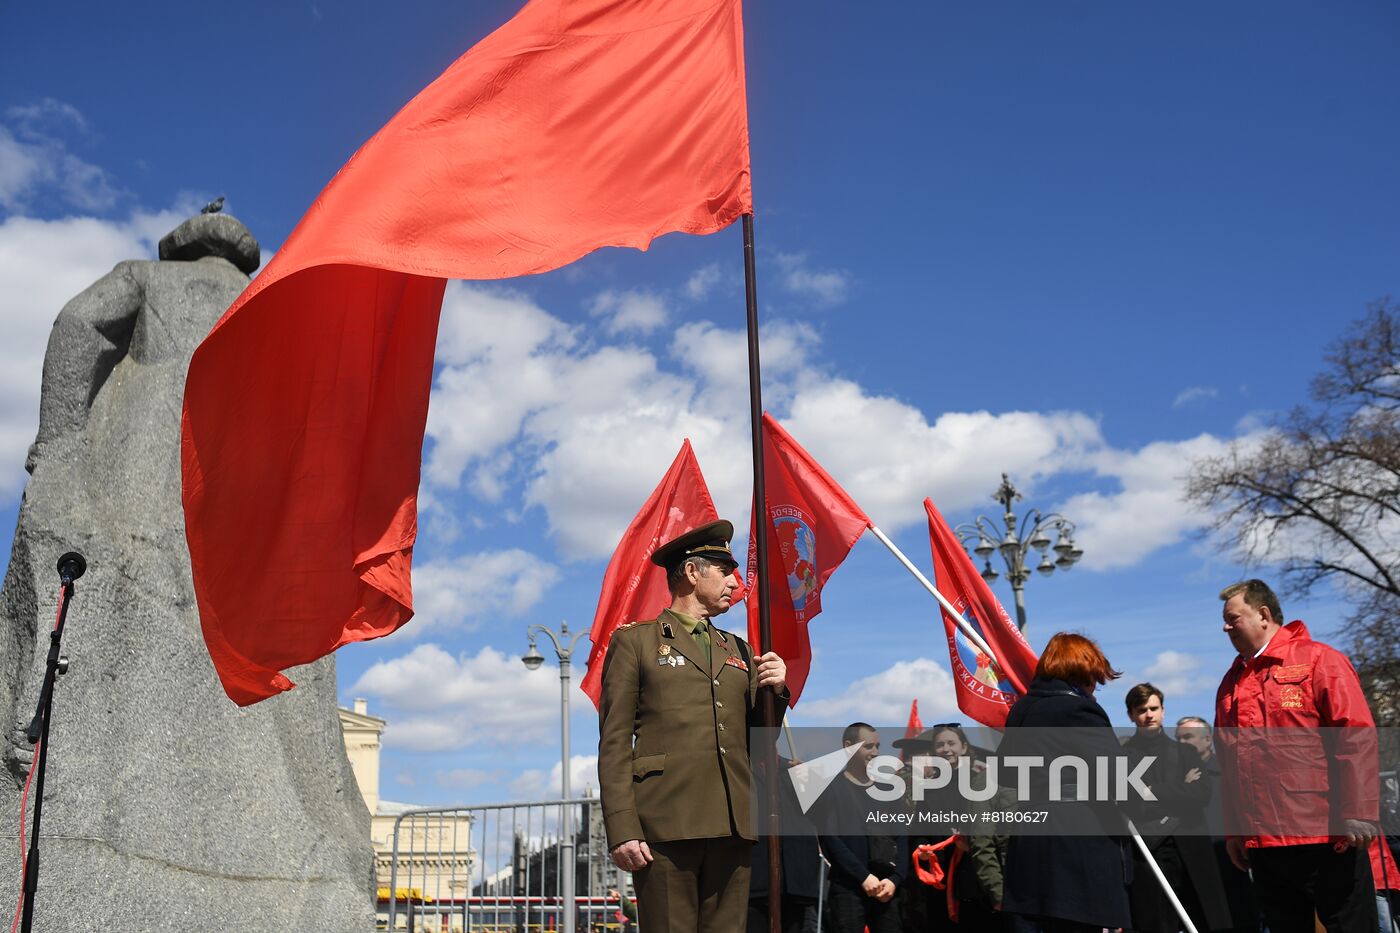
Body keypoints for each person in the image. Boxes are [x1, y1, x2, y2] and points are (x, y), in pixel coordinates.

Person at [598, 519, 789, 933]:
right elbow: (613, 741)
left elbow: (758, 740)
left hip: (733, 822)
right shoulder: (637, 642)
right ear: (691, 572)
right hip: (666, 824)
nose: (735, 584)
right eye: (725, 571)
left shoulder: (738, 648)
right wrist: (622, 828)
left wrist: (777, 691)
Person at [1214, 578, 1380, 933]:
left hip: (1327, 836)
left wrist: (1359, 811)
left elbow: (1355, 737)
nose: (1225, 627)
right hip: (1264, 843)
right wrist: (1234, 832)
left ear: (1263, 615)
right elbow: (1228, 765)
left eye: (1233, 618)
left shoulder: (1320, 659)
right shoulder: (1230, 684)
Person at [998, 632, 1133, 933]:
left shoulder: (1020, 710)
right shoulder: (1079, 709)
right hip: (1079, 844)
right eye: (1095, 676)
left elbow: (1006, 771)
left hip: (1029, 839)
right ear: (1081, 670)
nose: (1097, 685)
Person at [1121, 684, 1232, 932]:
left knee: (1207, 921)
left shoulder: (1186, 752)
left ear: (1162, 710)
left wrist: (1151, 790)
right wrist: (1180, 788)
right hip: (1149, 854)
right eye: (1141, 710)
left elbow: (1201, 794)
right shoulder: (1122, 757)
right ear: (1130, 714)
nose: (1149, 715)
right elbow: (1133, 803)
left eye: (1154, 708)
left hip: (1192, 849)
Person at [812, 723, 909, 933]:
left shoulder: (889, 788)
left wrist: (895, 879)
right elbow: (830, 838)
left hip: (887, 888)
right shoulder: (830, 788)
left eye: (878, 746)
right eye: (869, 747)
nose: (875, 753)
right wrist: (863, 877)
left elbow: (902, 836)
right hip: (847, 888)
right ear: (849, 746)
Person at [1175, 715, 1260, 933]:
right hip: (1194, 872)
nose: (1183, 743)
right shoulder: (1172, 781)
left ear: (1208, 739)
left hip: (1234, 865)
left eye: (1189, 737)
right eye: (1179, 739)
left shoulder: (1231, 774)